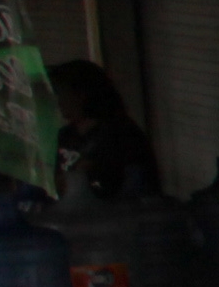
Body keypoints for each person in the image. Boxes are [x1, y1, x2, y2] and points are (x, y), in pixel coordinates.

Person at [46, 58, 161, 198]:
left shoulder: (122, 135)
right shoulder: (66, 135)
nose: (57, 100)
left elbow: (138, 186)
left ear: (82, 95)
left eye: (61, 93)